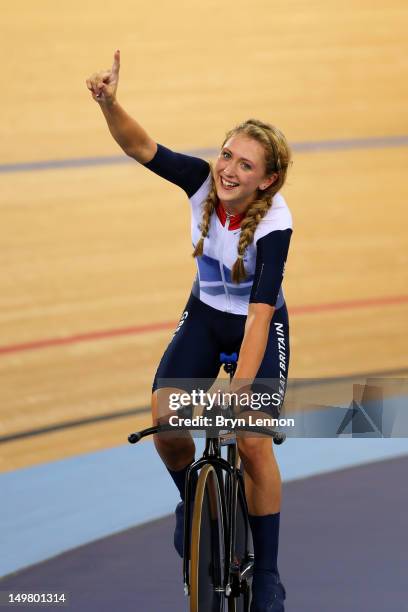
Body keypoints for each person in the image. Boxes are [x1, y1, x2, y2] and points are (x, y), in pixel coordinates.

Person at [87, 50, 292, 612]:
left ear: (267, 180)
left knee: (251, 438)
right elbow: (140, 147)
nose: (228, 169)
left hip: (256, 324)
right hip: (204, 315)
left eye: (245, 165)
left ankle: (269, 574)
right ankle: (193, 504)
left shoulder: (275, 224)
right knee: (166, 422)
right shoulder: (202, 182)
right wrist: (109, 103)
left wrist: (239, 388)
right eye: (227, 155)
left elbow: (259, 315)